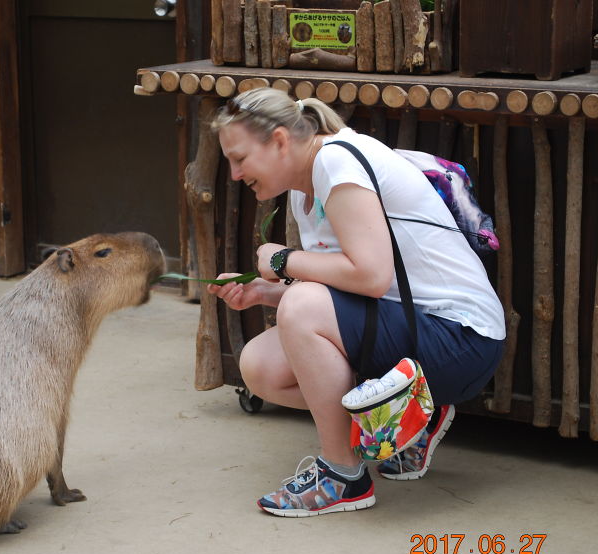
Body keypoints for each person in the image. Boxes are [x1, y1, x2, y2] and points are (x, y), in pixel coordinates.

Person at [207, 87, 506, 518]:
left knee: (302, 307)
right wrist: (263, 291)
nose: (234, 174)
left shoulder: (337, 161)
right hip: (413, 332)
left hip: (461, 338)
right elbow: (343, 293)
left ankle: (342, 476)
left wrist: (283, 259)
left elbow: (370, 275)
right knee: (261, 368)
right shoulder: (303, 188)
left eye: (239, 158)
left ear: (278, 140)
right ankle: (408, 421)